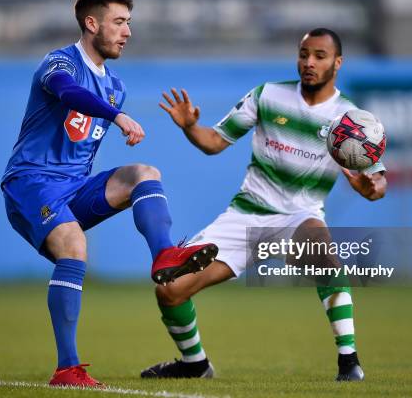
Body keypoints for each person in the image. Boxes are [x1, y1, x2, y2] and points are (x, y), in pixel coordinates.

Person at [0, 0, 217, 388]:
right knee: (74, 245)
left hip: (73, 186)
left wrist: (115, 111)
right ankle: (67, 369)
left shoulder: (115, 85)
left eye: (128, 23)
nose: (127, 32)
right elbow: (68, 93)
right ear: (91, 23)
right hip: (31, 182)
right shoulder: (59, 62)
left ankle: (165, 257)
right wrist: (117, 117)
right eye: (119, 22)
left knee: (145, 173)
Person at [140, 28, 387, 381]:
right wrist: (191, 127)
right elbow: (213, 142)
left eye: (319, 55)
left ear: (338, 62)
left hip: (300, 217)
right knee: (169, 290)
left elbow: (378, 183)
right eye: (304, 54)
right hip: (246, 215)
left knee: (325, 256)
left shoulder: (350, 119)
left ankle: (349, 363)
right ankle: (195, 363)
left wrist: (369, 186)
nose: (309, 62)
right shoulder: (268, 95)